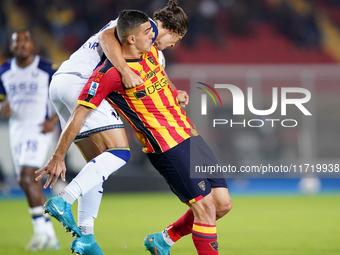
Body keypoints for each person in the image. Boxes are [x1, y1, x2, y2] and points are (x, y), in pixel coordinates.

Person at [38, 8, 233, 255]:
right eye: (148, 33)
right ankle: (65, 199)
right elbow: (107, 37)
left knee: (222, 204)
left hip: (189, 135)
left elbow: (159, 76)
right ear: (133, 36)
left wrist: (174, 93)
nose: (155, 39)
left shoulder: (152, 52)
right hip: (165, 143)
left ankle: (102, 236)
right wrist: (58, 155)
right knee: (121, 153)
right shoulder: (115, 69)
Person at [0, 30, 60, 251]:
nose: (22, 45)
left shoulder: (47, 69)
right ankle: (48, 235)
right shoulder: (4, 71)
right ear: (12, 46)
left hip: (39, 130)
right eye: (18, 42)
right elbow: (1, 101)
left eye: (26, 40)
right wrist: (1, 107)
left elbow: (66, 98)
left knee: (27, 175)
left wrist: (53, 121)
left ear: (32, 44)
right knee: (26, 181)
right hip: (17, 131)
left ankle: (40, 233)